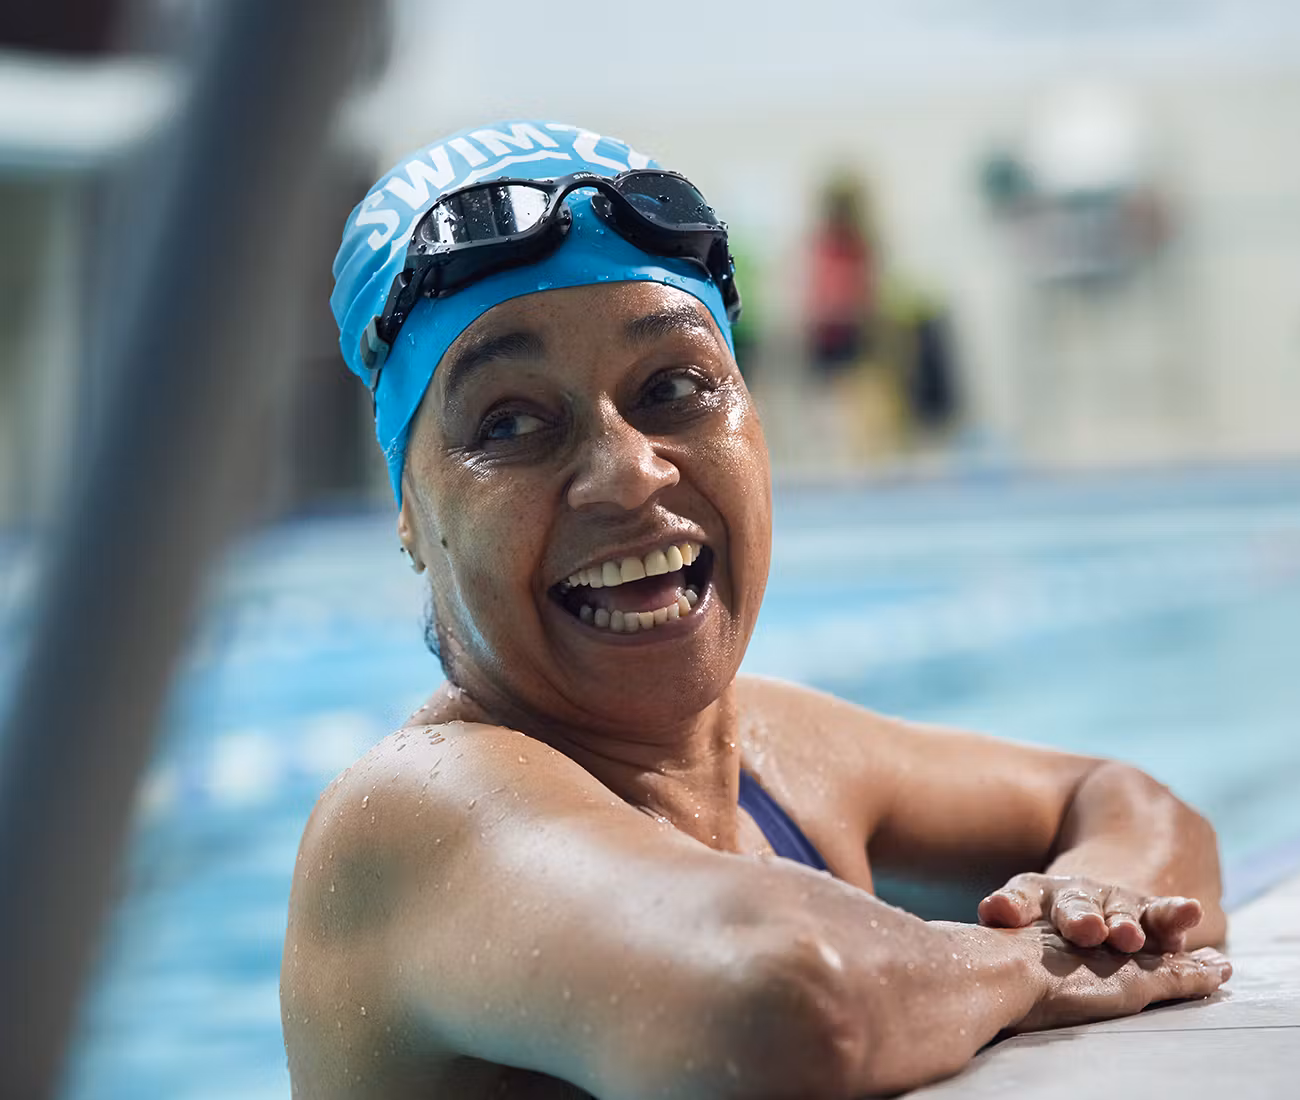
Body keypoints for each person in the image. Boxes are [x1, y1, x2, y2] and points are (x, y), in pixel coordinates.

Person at [282, 120, 1230, 1099]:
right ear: (407, 507)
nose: (626, 471)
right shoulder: (405, 818)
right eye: (510, 421)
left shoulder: (780, 752)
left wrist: (1099, 900)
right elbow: (786, 1003)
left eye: (674, 387)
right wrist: (1036, 960)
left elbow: (1133, 803)